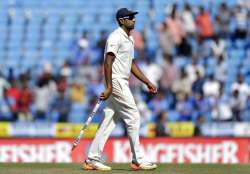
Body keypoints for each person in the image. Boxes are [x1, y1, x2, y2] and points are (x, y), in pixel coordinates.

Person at [83, 8, 158, 171]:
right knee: (133, 116)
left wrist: (147, 82)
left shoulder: (129, 39)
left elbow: (131, 64)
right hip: (116, 81)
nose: (134, 20)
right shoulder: (115, 37)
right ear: (122, 20)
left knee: (109, 120)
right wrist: (109, 86)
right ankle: (138, 159)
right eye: (131, 17)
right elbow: (107, 62)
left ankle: (92, 159)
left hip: (121, 81)